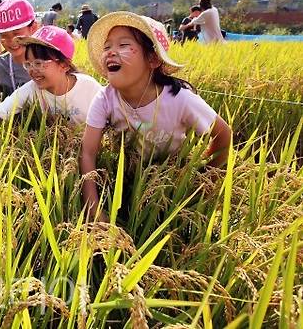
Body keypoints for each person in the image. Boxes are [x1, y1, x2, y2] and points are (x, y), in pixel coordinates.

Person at [79, 11, 232, 220]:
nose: (111, 52)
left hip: (169, 183)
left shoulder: (180, 99)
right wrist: (93, 207)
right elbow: (88, 153)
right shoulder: (105, 98)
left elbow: (223, 134)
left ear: (152, 59)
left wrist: (204, 181)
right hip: (125, 181)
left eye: (123, 45)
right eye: (107, 47)